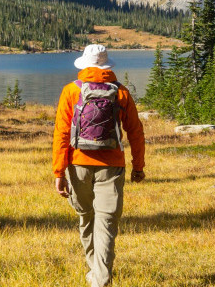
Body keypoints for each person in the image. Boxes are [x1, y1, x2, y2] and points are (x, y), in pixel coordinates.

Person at [52, 44, 146, 287]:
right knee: (106, 222)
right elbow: (135, 132)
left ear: (84, 64)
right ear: (107, 66)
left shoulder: (71, 91)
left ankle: (97, 274)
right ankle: (100, 278)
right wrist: (138, 166)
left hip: (78, 165)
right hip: (112, 166)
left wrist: (59, 171)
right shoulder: (121, 93)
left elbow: (62, 134)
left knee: (86, 217)